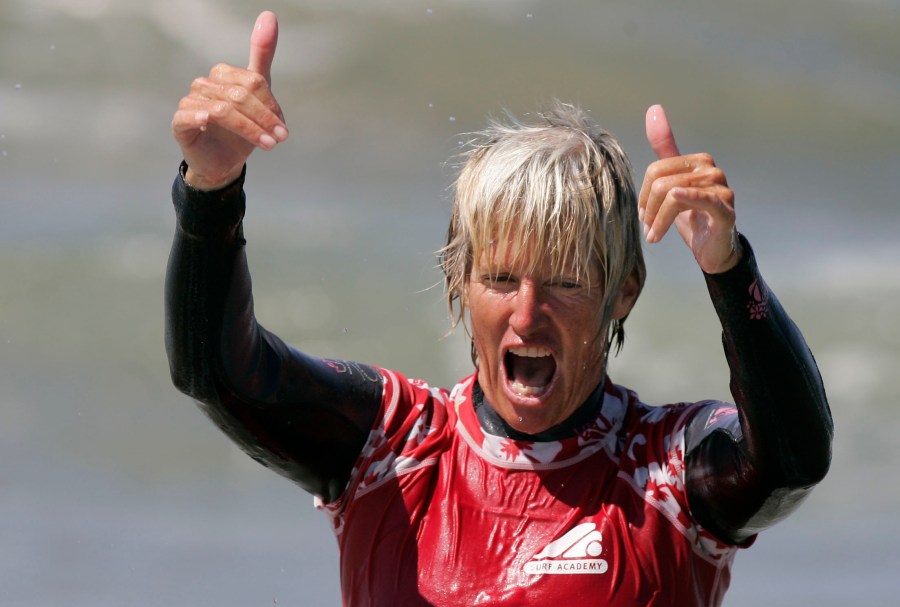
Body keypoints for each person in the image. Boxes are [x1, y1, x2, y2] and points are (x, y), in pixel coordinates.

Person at [166, 11, 832, 607]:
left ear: (623, 289)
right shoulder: (390, 447)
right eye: (502, 277)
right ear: (460, 278)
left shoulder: (665, 474)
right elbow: (218, 373)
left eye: (564, 281)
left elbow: (792, 457)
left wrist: (728, 266)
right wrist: (211, 191)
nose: (527, 312)